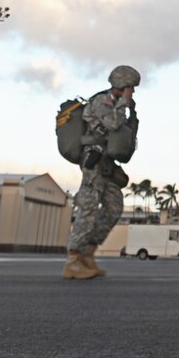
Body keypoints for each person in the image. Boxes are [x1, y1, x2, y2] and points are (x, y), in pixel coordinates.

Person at [64, 65, 141, 281]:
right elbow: (113, 124)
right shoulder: (102, 101)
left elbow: (127, 133)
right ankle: (73, 260)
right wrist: (124, 104)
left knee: (114, 206)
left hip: (107, 162)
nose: (132, 92)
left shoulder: (118, 104)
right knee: (88, 206)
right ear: (122, 84)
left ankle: (87, 254)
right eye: (130, 88)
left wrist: (132, 111)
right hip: (93, 159)